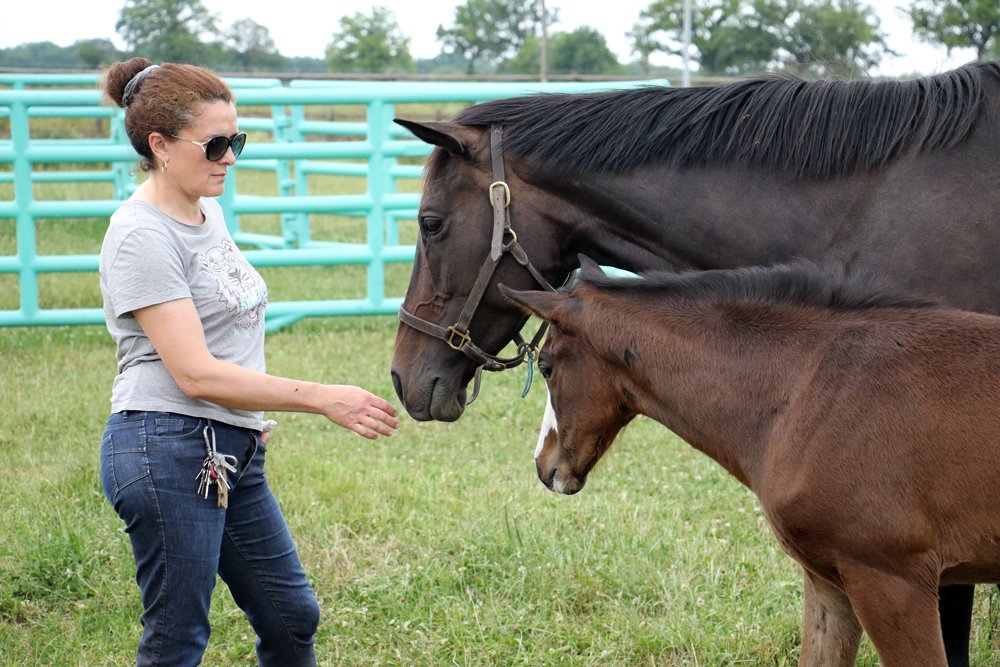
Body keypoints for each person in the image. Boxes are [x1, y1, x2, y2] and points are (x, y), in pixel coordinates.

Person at [97, 57, 399, 667]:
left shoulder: (205, 210)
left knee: (292, 616)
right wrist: (322, 397)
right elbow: (195, 374)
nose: (229, 158)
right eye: (214, 145)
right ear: (159, 145)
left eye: (236, 141)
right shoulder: (140, 236)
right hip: (168, 448)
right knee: (178, 638)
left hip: (229, 447)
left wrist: (248, 418)